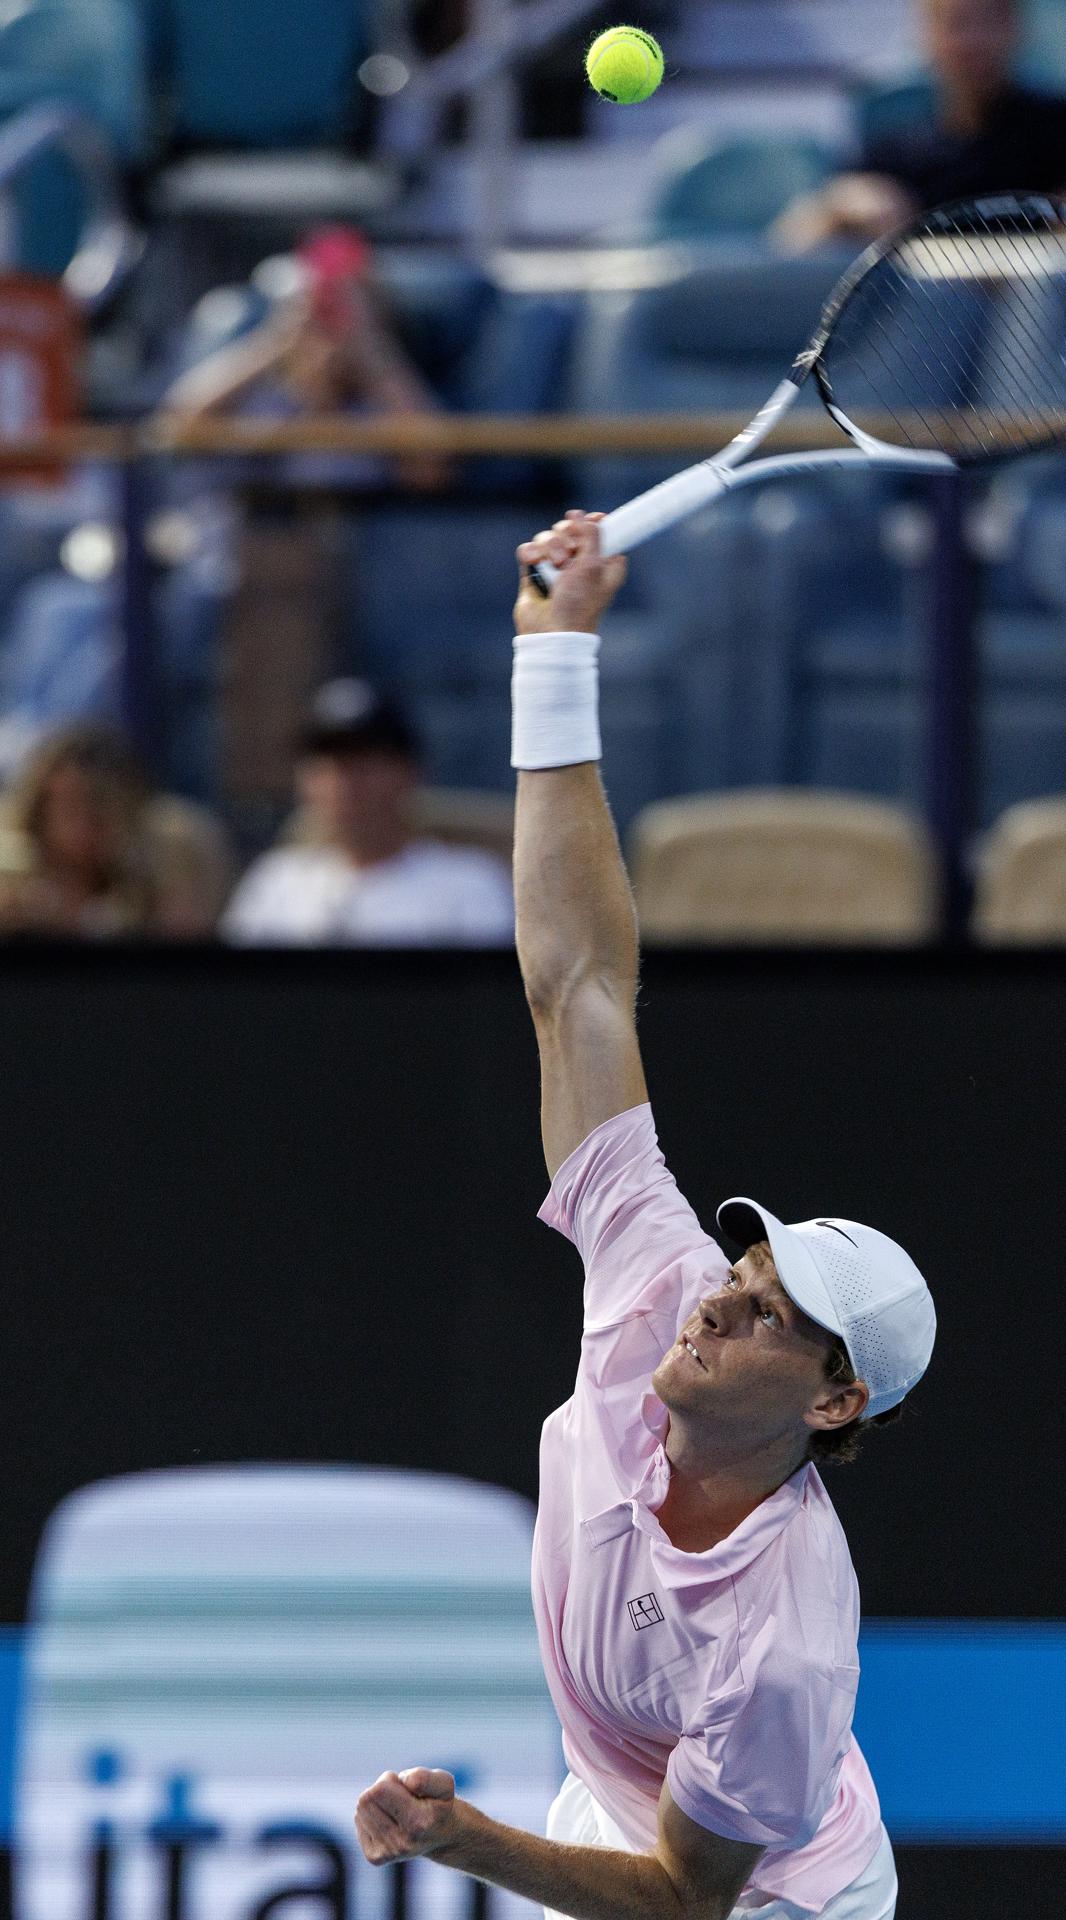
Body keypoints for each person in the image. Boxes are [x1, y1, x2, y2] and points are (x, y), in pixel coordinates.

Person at [353, 513, 938, 1920]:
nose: (721, 1300)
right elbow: (578, 987)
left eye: (772, 1315)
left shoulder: (784, 1641)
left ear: (834, 1402)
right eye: (745, 1267)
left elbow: (685, 1900)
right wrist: (555, 653)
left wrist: (463, 1841)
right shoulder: (659, 1290)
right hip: (617, 1800)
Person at [775, 0, 1066, 254]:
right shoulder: (894, 146)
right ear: (928, 34)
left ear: (1015, 28)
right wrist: (844, 205)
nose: (973, 41)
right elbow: (791, 240)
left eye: (988, 22)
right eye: (958, 24)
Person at [155, 226, 451, 494]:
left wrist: (368, 345)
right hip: (255, 535)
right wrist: (277, 340)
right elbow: (173, 429)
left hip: (358, 535)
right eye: (318, 320)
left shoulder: (382, 406)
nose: (327, 339)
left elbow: (433, 467)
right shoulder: (260, 399)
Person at [221, 678, 515, 947]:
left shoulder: (469, 884)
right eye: (328, 766)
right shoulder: (276, 881)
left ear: (410, 773)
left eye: (364, 764)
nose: (343, 783)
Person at [0, 723, 232, 939]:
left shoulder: (159, 864)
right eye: (71, 806)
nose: (86, 823)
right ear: (41, 809)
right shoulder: (14, 882)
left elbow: (188, 938)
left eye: (100, 805)